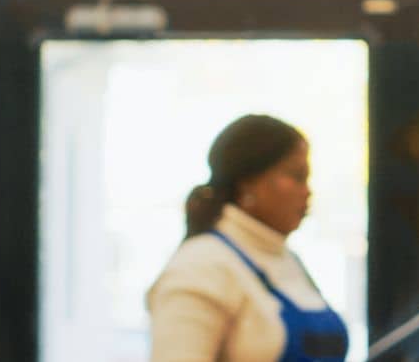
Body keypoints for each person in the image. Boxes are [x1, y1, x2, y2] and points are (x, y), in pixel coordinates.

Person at [147, 114, 348, 362]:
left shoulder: (288, 260)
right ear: (249, 183)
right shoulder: (201, 265)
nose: (307, 192)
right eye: (297, 177)